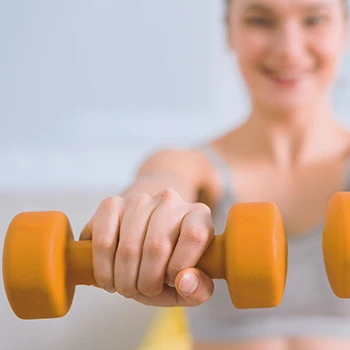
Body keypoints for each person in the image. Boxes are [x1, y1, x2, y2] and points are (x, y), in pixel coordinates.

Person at [80, 0, 350, 349]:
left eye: (314, 19)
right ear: (229, 33)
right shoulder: (189, 164)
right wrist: (146, 214)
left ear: (343, 30)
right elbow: (161, 183)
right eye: (259, 21)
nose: (289, 49)